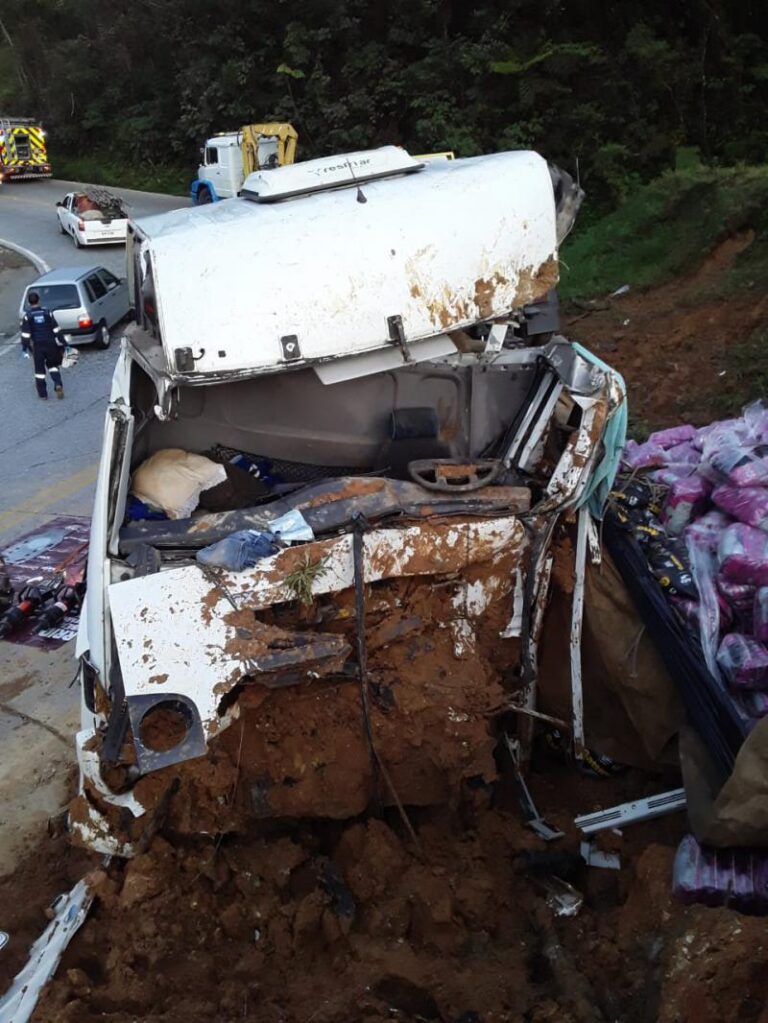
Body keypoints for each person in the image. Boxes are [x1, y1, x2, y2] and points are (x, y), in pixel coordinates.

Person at [19, 292, 65, 400]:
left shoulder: (28, 316)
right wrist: (64, 343)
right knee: (53, 366)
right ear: (39, 300)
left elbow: (26, 335)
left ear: (29, 303)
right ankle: (58, 384)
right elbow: (56, 329)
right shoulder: (47, 313)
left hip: (38, 346)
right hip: (50, 344)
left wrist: (24, 349)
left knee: (39, 372)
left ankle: (43, 394)